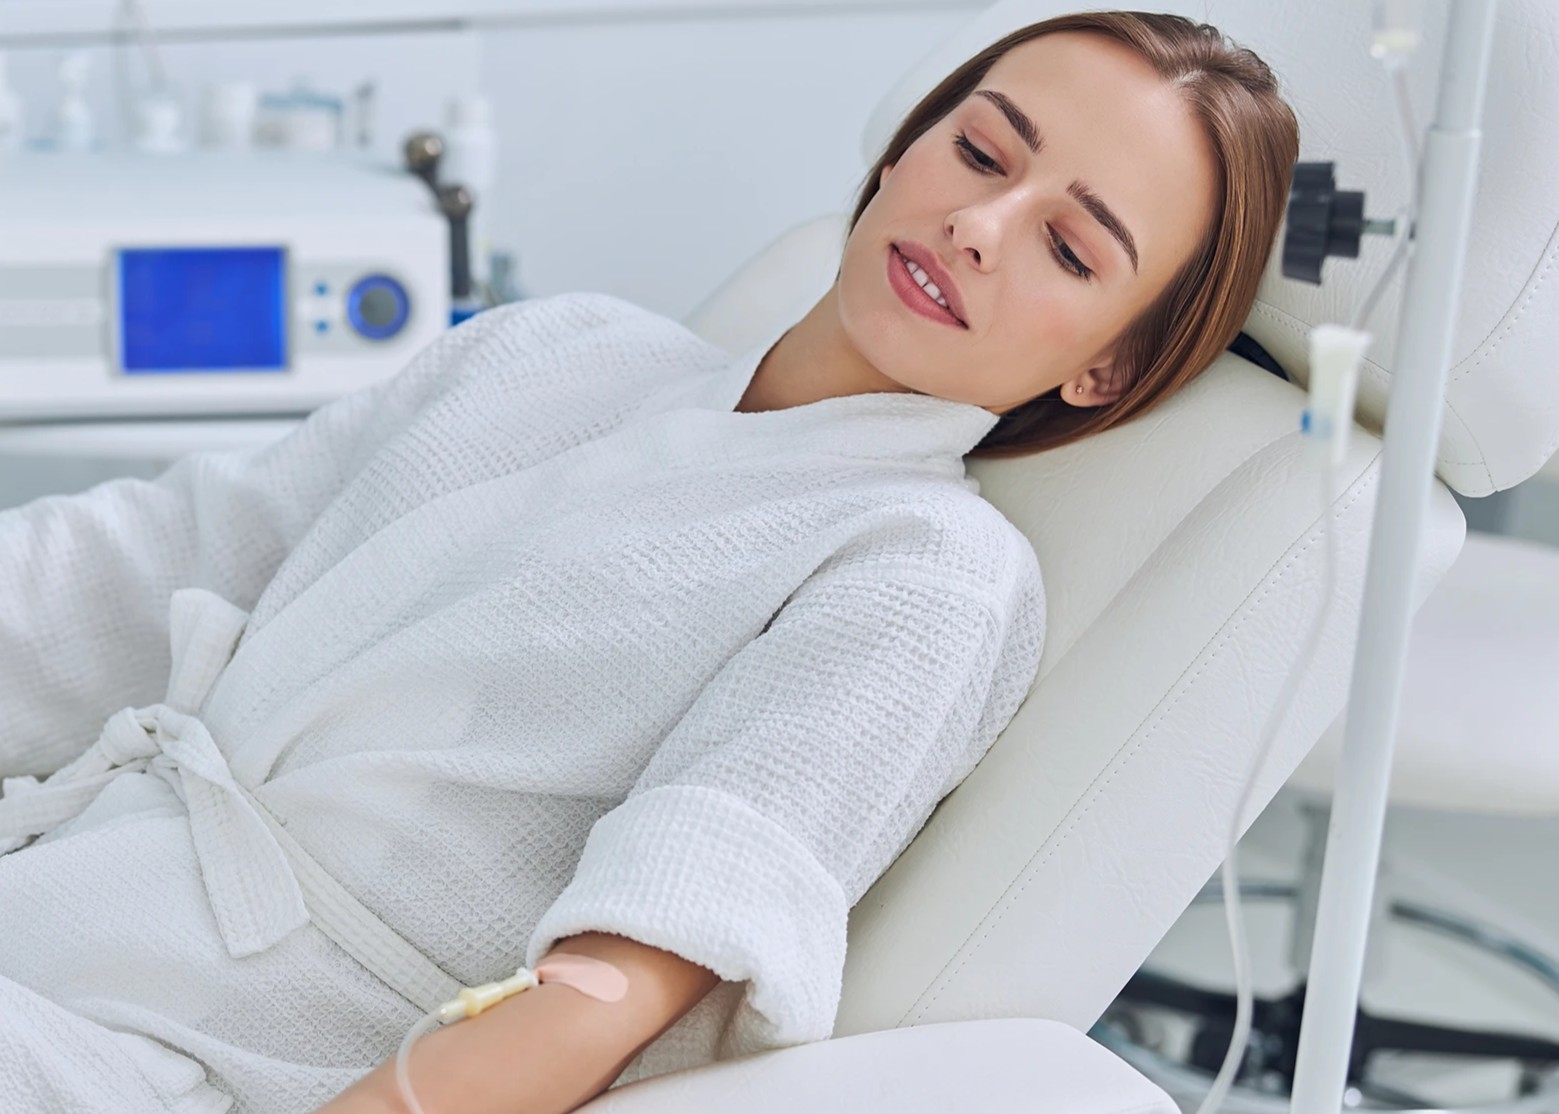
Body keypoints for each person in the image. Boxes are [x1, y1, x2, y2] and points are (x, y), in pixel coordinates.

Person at [0, 11, 1298, 1114]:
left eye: (1071, 249)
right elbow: (126, 572)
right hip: (54, 906)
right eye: (979, 151)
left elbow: (606, 993)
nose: (981, 224)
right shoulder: (562, 348)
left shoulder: (923, 571)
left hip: (200, 1062)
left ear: (1106, 365)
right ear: (905, 149)